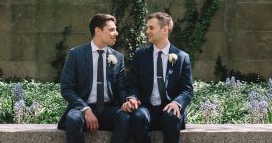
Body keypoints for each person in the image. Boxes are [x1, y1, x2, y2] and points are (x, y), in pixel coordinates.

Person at [120, 12, 193, 143]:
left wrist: (177, 103)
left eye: (151, 28)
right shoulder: (140, 55)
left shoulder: (182, 57)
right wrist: (133, 98)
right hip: (146, 108)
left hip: (169, 107)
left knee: (171, 117)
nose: (147, 31)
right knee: (138, 117)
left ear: (165, 30)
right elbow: (133, 84)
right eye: (147, 27)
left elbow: (187, 90)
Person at [58, 14, 130, 143]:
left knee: (124, 118)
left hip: (109, 110)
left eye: (115, 29)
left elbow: (121, 89)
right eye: (111, 30)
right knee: (73, 119)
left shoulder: (118, 57)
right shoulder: (76, 54)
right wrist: (86, 109)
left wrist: (127, 101)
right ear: (98, 31)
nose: (116, 33)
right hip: (82, 108)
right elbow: (66, 89)